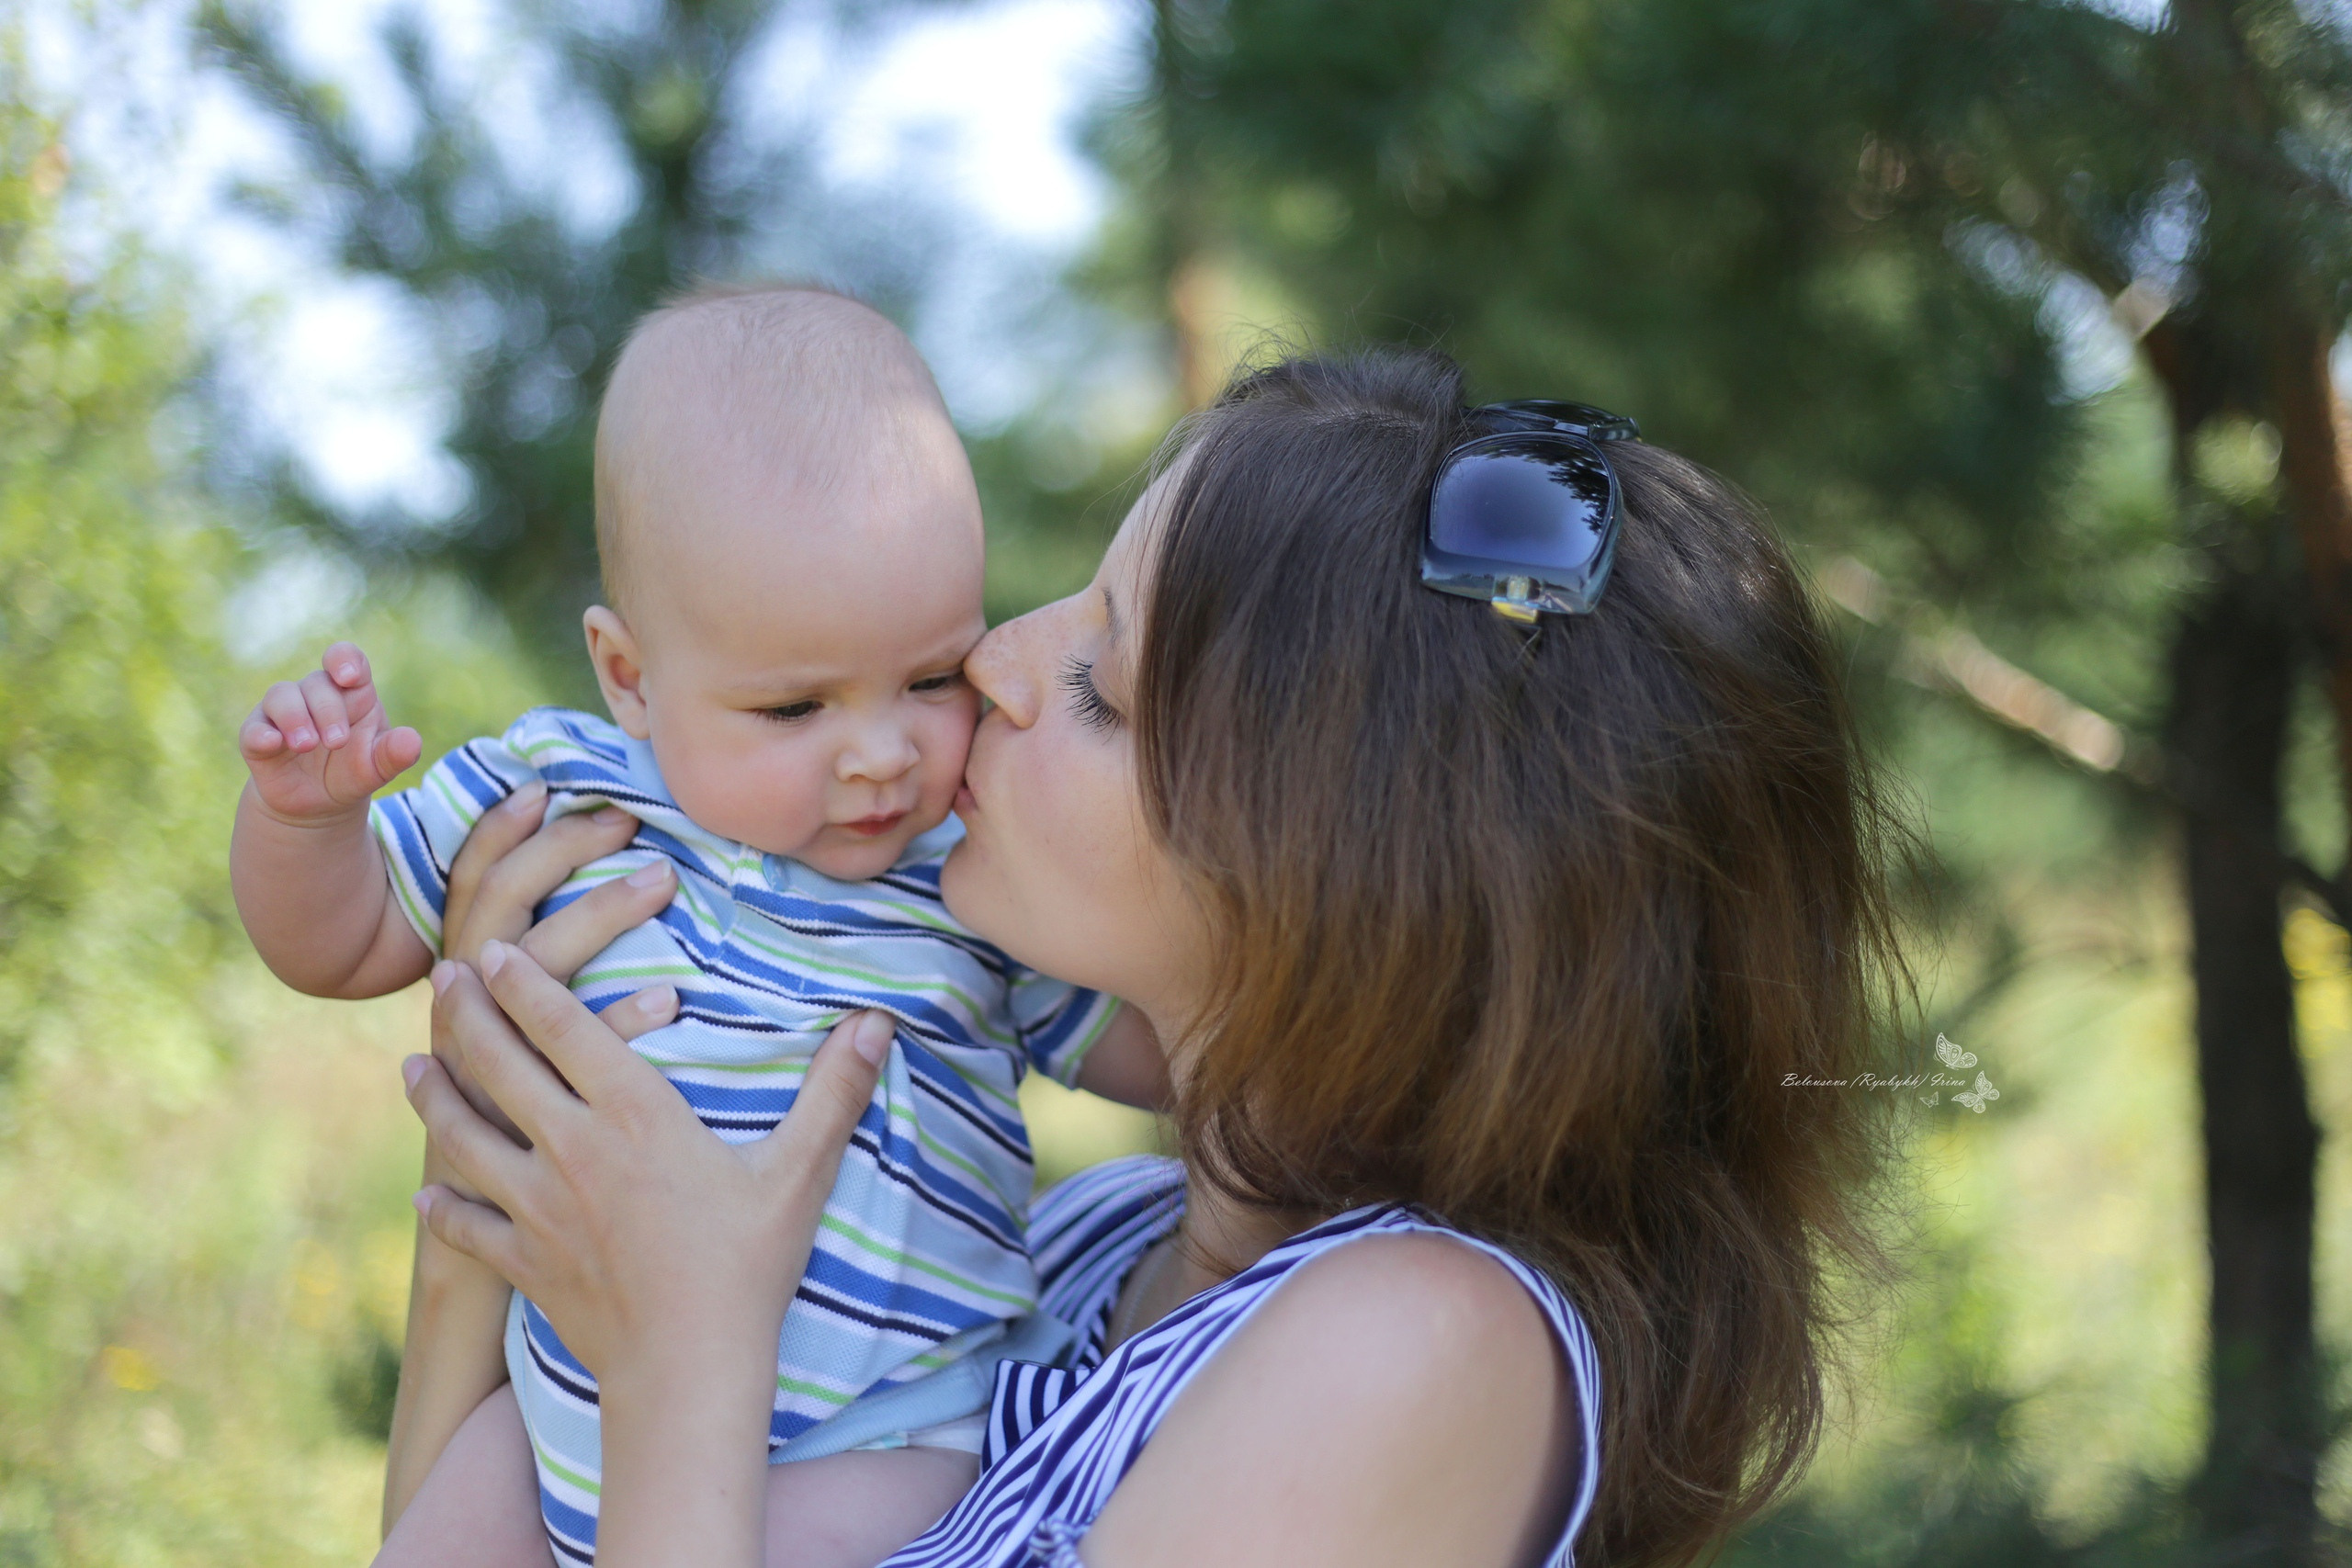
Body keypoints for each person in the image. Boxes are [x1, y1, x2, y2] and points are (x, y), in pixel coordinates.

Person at [398, 346, 1916, 1568]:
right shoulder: (1075, 1250)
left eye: (1103, 685)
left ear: (1339, 887)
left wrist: (682, 1358)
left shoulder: (1421, 1347)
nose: (989, 664)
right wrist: (496, 1160)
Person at [226, 285, 1164, 1566]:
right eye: (795, 710)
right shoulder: (554, 791)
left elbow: (1175, 1048)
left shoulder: (967, 874)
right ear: (630, 677)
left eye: (931, 677)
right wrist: (303, 826)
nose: (881, 755)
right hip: (562, 1408)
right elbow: (337, 946)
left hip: (878, 1436)